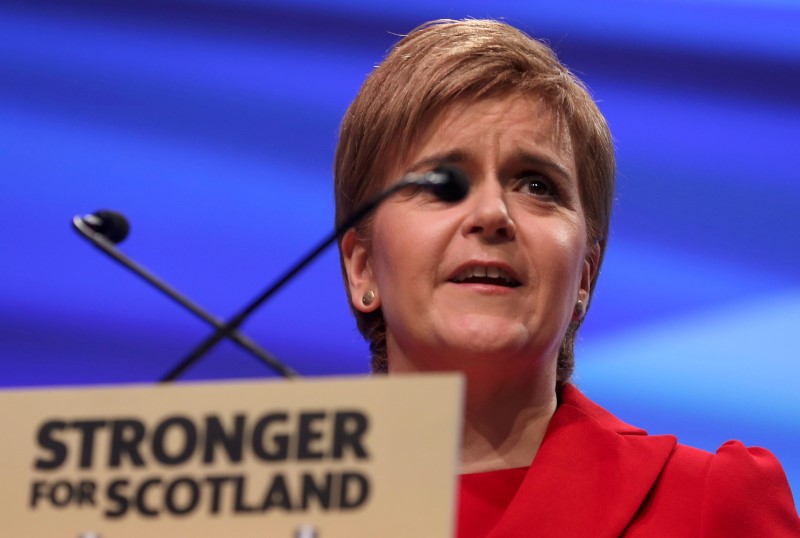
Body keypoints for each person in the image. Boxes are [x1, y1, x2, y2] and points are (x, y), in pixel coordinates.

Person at [333, 19, 800, 536]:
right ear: (363, 266)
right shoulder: (256, 503)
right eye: (443, 182)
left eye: (536, 185)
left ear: (584, 276)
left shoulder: (709, 504)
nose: (492, 214)